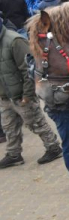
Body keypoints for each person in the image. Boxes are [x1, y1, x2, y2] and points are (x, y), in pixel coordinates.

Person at [0, 19, 64, 169]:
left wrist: (27, 94)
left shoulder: (14, 40)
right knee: (9, 126)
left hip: (22, 95)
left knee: (36, 123)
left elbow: (29, 68)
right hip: (5, 96)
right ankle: (13, 154)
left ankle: (53, 148)